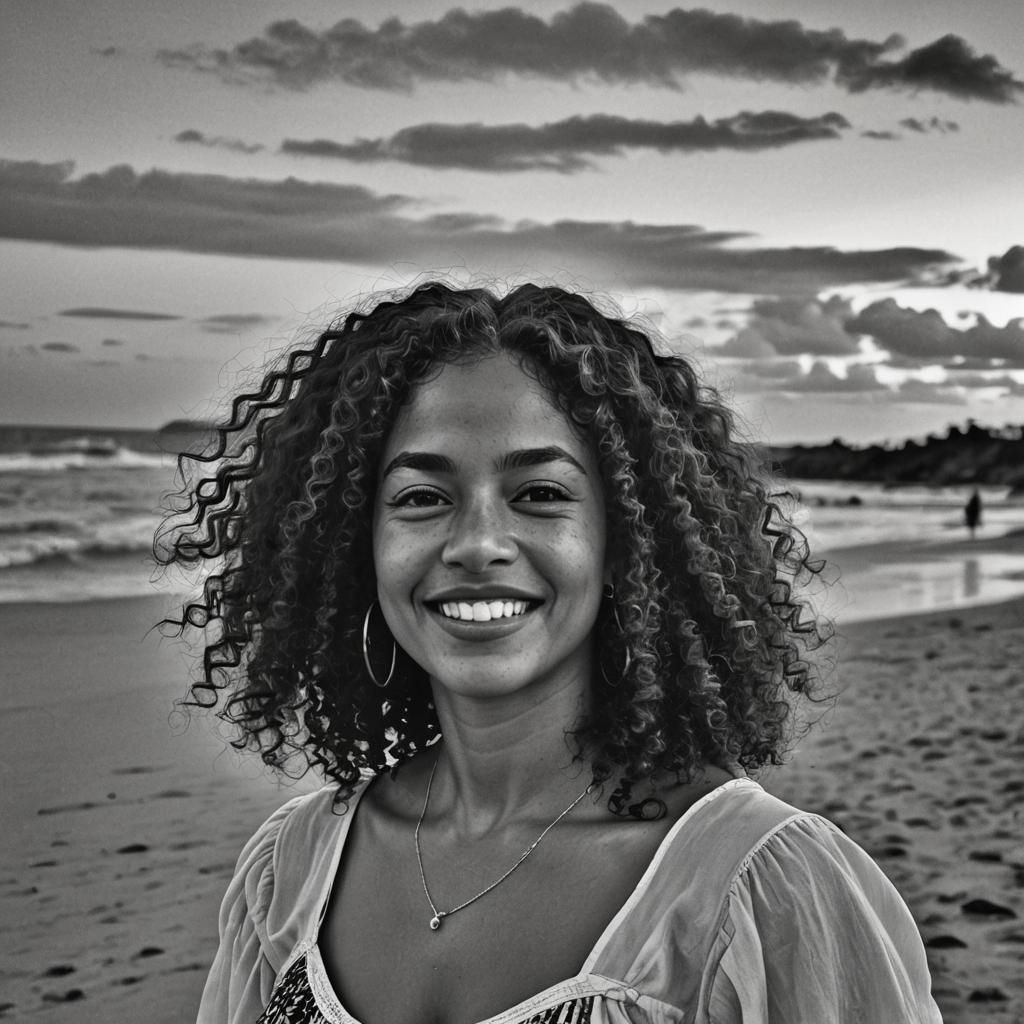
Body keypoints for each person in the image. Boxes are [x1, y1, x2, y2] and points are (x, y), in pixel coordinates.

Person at [159, 283, 942, 1024]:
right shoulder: (290, 872)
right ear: (353, 545)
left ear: (629, 543)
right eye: (422, 498)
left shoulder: (759, 886)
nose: (476, 545)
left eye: (539, 493)